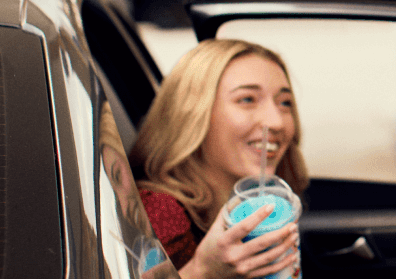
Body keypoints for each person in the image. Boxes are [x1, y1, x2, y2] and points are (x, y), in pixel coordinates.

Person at [131, 39, 309, 279]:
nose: (275, 121)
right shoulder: (161, 213)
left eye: (285, 102)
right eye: (247, 99)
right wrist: (201, 271)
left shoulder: (265, 203)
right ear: (193, 113)